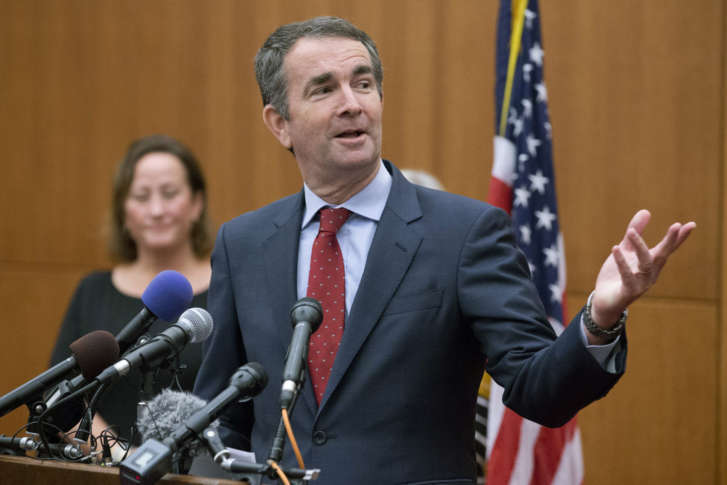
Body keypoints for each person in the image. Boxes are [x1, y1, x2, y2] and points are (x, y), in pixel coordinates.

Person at [193, 16, 695, 484]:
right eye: (324, 89)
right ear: (279, 122)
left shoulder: (465, 233)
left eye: (363, 84)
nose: (352, 104)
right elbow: (221, 417)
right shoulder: (244, 243)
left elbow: (539, 390)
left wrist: (599, 318)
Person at [50, 134, 213, 449]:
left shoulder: (226, 289)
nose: (156, 210)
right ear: (123, 211)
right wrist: (120, 457)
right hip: (104, 467)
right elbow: (60, 395)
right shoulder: (92, 290)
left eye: (170, 194)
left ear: (196, 204)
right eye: (141, 196)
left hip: (200, 468)